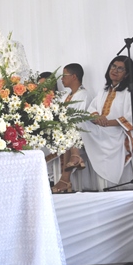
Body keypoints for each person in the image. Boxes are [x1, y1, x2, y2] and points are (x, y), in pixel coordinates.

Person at [80, 55, 133, 187]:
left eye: (120, 69)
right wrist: (97, 118)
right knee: (77, 121)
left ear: (127, 74)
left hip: (118, 133)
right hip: (101, 129)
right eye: (113, 66)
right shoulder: (103, 90)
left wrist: (108, 123)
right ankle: (76, 158)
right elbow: (91, 108)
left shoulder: (130, 92)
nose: (115, 70)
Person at [51, 63, 89, 193]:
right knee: (67, 133)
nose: (62, 79)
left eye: (64, 75)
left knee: (69, 131)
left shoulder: (84, 94)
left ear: (74, 76)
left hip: (83, 132)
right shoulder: (65, 95)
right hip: (68, 133)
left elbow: (80, 118)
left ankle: (65, 179)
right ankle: (75, 157)